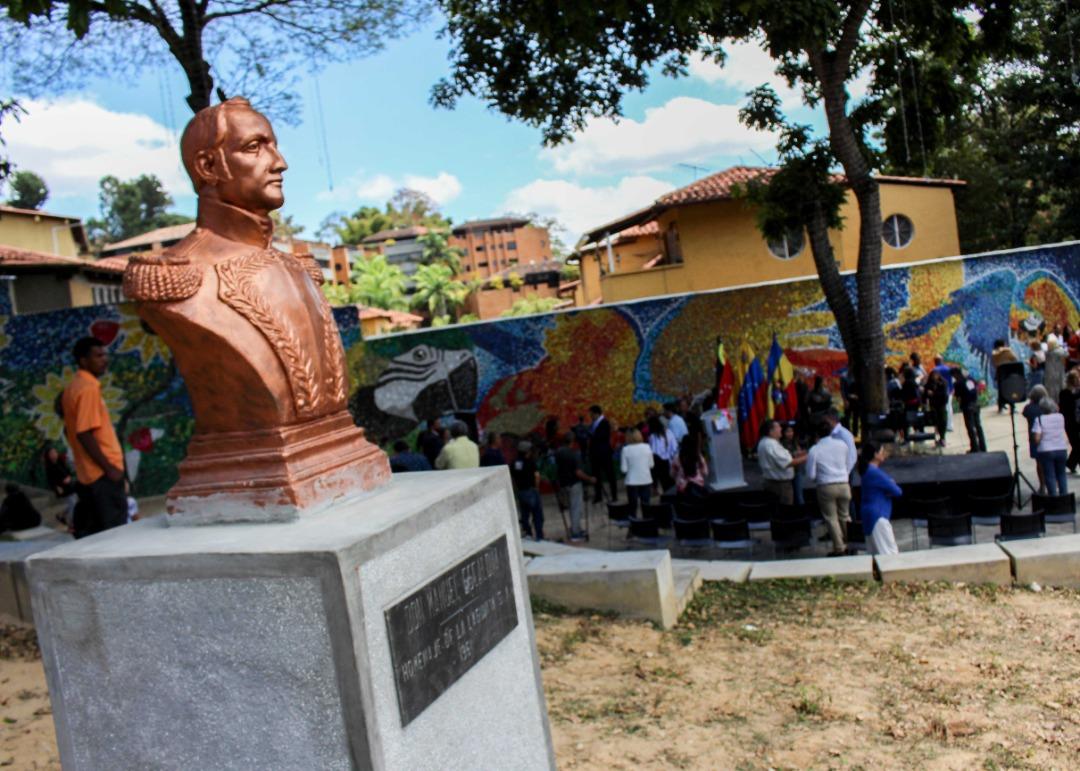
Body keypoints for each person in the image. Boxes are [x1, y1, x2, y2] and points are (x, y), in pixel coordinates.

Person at [61, 336, 126, 539]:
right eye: (98, 355)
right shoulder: (88, 388)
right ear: (83, 361)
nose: (104, 359)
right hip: (102, 476)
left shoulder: (73, 387)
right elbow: (84, 432)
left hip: (88, 475)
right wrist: (110, 469)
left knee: (96, 534)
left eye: (105, 354)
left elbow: (70, 430)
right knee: (114, 533)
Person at [805, 420, 852, 556]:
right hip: (843, 483)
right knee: (845, 515)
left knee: (831, 518)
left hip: (826, 485)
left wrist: (818, 478)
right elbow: (848, 463)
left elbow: (811, 474)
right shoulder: (842, 445)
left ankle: (839, 547)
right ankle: (852, 542)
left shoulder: (815, 449)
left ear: (816, 435)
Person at [857, 439, 901, 556]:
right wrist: (891, 485)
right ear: (875, 454)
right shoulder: (875, 472)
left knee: (874, 555)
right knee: (890, 554)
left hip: (868, 515)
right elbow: (897, 491)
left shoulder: (866, 471)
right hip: (878, 516)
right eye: (882, 451)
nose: (884, 453)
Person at [555, 432, 595, 542]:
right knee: (576, 508)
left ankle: (575, 528)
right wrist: (589, 479)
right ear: (572, 441)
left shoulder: (558, 452)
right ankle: (575, 533)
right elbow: (578, 472)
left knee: (572, 508)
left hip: (564, 483)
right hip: (574, 483)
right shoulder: (574, 454)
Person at [757, 420, 805, 506]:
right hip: (780, 486)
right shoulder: (771, 445)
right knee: (785, 512)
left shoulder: (767, 442)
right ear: (771, 431)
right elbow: (788, 462)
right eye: (778, 427)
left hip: (774, 483)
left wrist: (797, 454)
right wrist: (809, 456)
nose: (781, 429)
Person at [1033, 397, 1070, 496]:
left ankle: (1053, 499)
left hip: (1046, 450)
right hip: (1061, 448)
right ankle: (1064, 498)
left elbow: (1036, 439)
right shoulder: (1060, 417)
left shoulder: (1039, 419)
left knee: (1050, 476)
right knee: (1061, 474)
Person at [512, 440, 544, 539]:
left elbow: (512, 477)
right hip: (531, 490)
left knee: (524, 514)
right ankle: (539, 535)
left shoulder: (514, 463)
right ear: (527, 451)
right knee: (537, 514)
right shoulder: (530, 462)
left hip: (521, 492)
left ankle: (528, 533)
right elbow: (537, 476)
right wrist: (537, 488)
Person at [952, 366, 987, 452]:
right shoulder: (970, 379)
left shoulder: (958, 383)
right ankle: (983, 447)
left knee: (970, 427)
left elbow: (957, 396)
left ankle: (975, 447)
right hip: (975, 404)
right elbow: (976, 389)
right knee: (978, 426)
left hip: (967, 406)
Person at [620, 428, 654, 515]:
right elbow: (651, 465)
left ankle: (633, 526)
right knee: (646, 505)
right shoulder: (647, 447)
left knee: (632, 506)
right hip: (646, 479)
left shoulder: (625, 449)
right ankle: (647, 524)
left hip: (632, 481)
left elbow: (624, 469)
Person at [588, 405, 617, 503]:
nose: (590, 416)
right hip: (595, 453)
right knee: (596, 475)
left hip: (604, 453)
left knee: (610, 475)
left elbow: (602, 437)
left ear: (596, 413)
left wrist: (591, 435)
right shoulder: (593, 423)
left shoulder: (604, 423)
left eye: (591, 414)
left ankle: (614, 496)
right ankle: (598, 495)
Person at [1023, 385, 1048, 493]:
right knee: (1048, 462)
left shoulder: (1029, 408)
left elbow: (1025, 413)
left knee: (1039, 463)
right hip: (1047, 436)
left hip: (1034, 438)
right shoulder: (1047, 406)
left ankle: (1042, 485)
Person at [42, 446, 77, 525]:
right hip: (62, 489)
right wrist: (56, 487)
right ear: (48, 456)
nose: (54, 454)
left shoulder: (60, 462)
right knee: (73, 505)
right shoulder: (49, 467)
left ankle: (62, 515)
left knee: (72, 504)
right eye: (52, 453)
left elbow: (68, 472)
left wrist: (69, 477)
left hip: (70, 486)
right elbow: (50, 481)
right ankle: (72, 524)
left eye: (55, 452)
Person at [671, 432, 708, 500]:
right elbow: (705, 472)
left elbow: (672, 474)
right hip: (698, 488)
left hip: (682, 489)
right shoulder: (699, 457)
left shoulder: (677, 458)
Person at [646, 414, 677, 493]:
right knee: (672, 482)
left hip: (661, 464)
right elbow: (675, 448)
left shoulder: (653, 436)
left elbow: (654, 452)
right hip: (671, 461)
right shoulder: (669, 432)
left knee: (665, 484)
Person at [780, 422, 807, 505]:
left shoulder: (795, 442)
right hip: (787, 472)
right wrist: (796, 454)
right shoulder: (781, 444)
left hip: (797, 470)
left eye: (791, 431)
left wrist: (799, 453)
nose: (790, 434)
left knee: (799, 493)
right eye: (788, 432)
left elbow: (800, 452)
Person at [824, 408, 857, 474]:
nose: (824, 424)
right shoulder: (832, 433)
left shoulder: (844, 434)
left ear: (831, 419)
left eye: (826, 420)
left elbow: (852, 454)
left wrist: (846, 472)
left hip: (844, 472)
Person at [991, 339, 1019, 413]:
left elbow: (994, 363)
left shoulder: (994, 353)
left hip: (1000, 373)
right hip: (1008, 373)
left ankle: (1000, 407)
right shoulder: (1007, 351)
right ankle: (1012, 407)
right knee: (1010, 390)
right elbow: (1015, 358)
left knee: (1001, 391)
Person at [923, 370, 949, 447]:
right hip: (933, 405)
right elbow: (925, 394)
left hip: (941, 404)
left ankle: (942, 438)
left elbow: (944, 394)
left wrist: (933, 393)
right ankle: (938, 438)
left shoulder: (943, 383)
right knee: (936, 421)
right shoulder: (929, 384)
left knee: (942, 421)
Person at [1060, 370, 1080, 473]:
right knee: (1076, 445)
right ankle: (1070, 464)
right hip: (1070, 422)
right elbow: (1066, 407)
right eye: (1076, 379)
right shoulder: (1065, 393)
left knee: (1077, 445)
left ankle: (1070, 463)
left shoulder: (1077, 391)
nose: (1078, 380)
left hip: (1078, 421)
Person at [932, 355, 954, 432]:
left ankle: (941, 426)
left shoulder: (934, 370)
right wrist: (952, 389)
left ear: (935, 361)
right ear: (942, 360)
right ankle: (950, 426)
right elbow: (951, 380)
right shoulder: (948, 369)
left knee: (941, 411)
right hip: (949, 391)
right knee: (949, 408)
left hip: (939, 393)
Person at [1044, 336, 1067, 400]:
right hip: (1057, 372)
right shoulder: (1060, 351)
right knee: (1058, 388)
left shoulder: (1048, 352)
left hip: (1052, 373)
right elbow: (1064, 362)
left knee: (1052, 389)